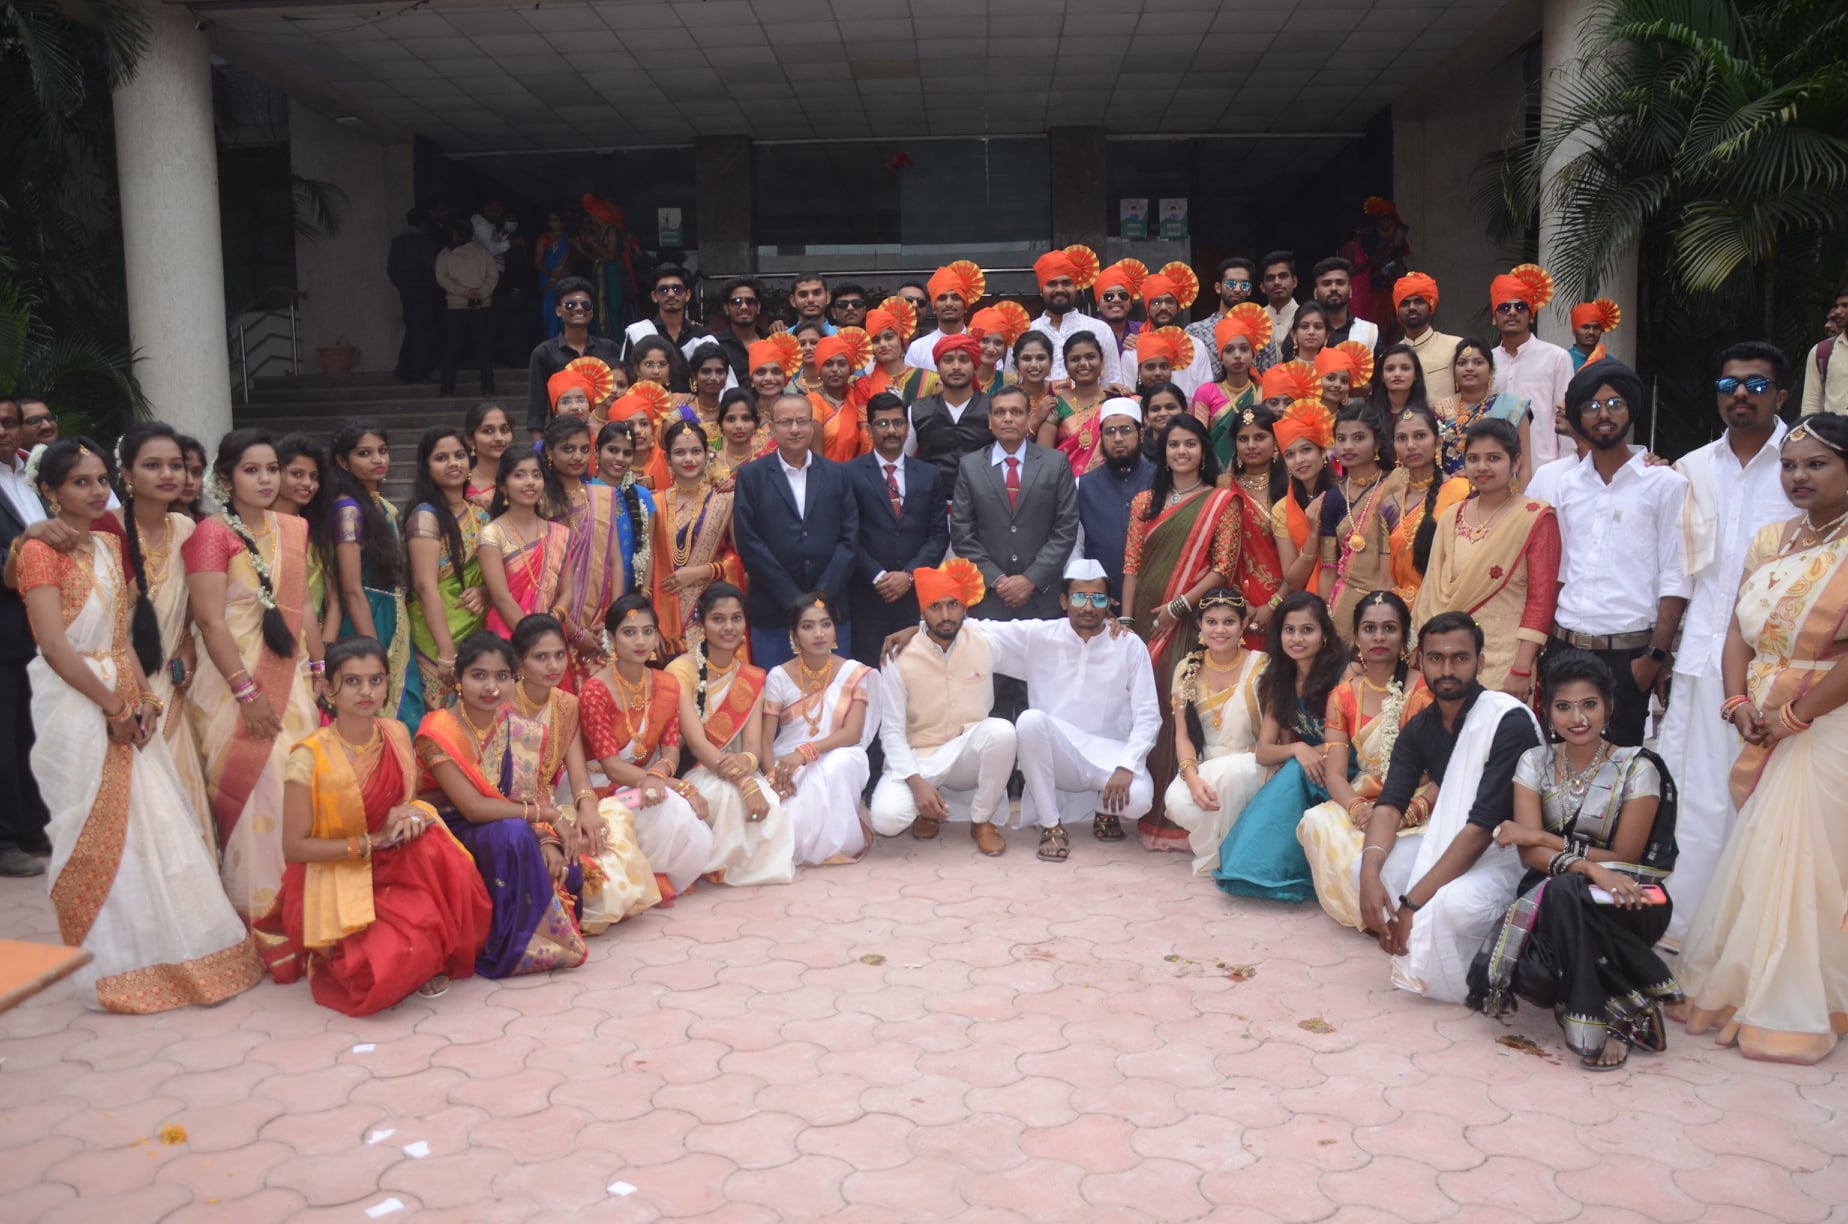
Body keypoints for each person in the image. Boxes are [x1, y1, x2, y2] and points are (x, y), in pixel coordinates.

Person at [17, 437, 264, 1013]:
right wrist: (112, 706)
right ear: (50, 491)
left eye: (100, 480)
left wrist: (143, 698)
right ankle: (117, 967)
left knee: (153, 827)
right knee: (94, 837)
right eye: (80, 482)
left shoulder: (108, 543)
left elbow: (119, 636)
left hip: (125, 698)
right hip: (73, 703)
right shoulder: (37, 553)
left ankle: (176, 953)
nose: (95, 491)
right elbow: (55, 646)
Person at [1677, 414, 1848, 1064]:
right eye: (1791, 465)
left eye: (1817, 464)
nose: (1799, 476)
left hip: (1825, 724)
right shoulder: (1775, 539)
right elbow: (1736, 630)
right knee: (1765, 856)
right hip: (1766, 717)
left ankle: (1795, 1006)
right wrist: (1737, 700)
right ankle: (1749, 988)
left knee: (1808, 863)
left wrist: (1796, 715)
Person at [1468, 651, 1681, 1070]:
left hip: (1629, 898)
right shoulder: (1534, 762)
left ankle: (1588, 1016)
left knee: (1566, 892)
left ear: (1609, 707)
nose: (1577, 718)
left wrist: (1542, 836)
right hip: (1554, 896)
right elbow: (1530, 855)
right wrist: (1586, 866)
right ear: (1548, 712)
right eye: (1563, 706)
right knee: (1563, 899)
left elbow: (1624, 858)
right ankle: (1619, 1011)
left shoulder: (1638, 767)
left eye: (1589, 704)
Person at [1655, 343, 1793, 946]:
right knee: (1694, 799)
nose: (1741, 395)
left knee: (1766, 801)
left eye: (1757, 385)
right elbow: (1678, 570)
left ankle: (1756, 935)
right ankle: (1687, 930)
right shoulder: (1691, 468)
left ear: (1781, 395)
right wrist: (1662, 652)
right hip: (1700, 660)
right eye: (1729, 384)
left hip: (1781, 668)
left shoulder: (1803, 463)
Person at [280, 637, 492, 1014]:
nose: (366, 691)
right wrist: (371, 842)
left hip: (395, 863)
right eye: (353, 681)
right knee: (385, 967)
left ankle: (426, 942)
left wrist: (410, 815)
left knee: (434, 844)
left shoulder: (395, 733)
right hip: (339, 870)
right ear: (329, 688)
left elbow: (405, 801)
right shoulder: (308, 759)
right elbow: (294, 848)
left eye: (376, 680)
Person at [183, 428, 325, 978]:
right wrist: (247, 693)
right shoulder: (211, 535)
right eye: (251, 470)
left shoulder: (293, 528)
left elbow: (303, 603)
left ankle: (311, 914)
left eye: (272, 469)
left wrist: (319, 668)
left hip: (294, 683)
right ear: (225, 479)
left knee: (300, 787)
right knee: (260, 790)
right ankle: (265, 921)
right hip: (232, 686)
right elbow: (209, 619)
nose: (266, 480)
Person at [1353, 612, 1544, 1003]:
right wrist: (1369, 876)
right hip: (1452, 843)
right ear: (1420, 660)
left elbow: (1480, 829)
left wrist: (1411, 904)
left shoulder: (1506, 721)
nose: (1447, 670)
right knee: (1366, 866)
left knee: (1452, 906)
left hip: (1507, 856)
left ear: (1480, 661)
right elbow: (1389, 807)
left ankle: (1481, 969)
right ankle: (1421, 946)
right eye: (1436, 658)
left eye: (1460, 658)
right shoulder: (1420, 728)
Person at [415, 632, 589, 978]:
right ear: (459, 679)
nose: (491, 687)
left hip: (507, 823)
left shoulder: (517, 728)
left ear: (514, 679)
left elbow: (527, 792)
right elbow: (473, 809)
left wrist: (546, 838)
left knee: (567, 867)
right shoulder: (438, 731)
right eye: (479, 675)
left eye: (501, 676)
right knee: (512, 835)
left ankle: (536, 933)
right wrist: (547, 816)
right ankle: (508, 946)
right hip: (449, 828)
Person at [1544, 359, 1690, 747]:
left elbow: (1676, 576)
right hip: (1564, 647)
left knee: (1617, 769)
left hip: (1627, 657)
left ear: (1630, 410)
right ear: (1578, 417)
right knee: (1559, 764)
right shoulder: (1569, 485)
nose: (1603, 415)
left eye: (1614, 404)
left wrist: (1654, 658)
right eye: (1591, 407)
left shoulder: (1664, 484)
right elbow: (1562, 570)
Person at [976, 558, 1161, 862]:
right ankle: (1051, 826)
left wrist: (1127, 766)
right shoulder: (1040, 635)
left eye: (1097, 598)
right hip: (1059, 755)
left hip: (1109, 755)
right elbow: (978, 630)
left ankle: (1105, 810)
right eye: (1079, 598)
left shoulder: (1129, 645)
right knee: (1030, 721)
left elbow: (1148, 715)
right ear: (1064, 601)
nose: (1088, 607)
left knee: (1139, 800)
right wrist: (915, 630)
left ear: (1109, 603)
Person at [1121, 413, 1238, 846]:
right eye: (1174, 444)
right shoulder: (1145, 502)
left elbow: (1223, 568)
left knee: (1179, 712)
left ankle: (1175, 822)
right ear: (1163, 452)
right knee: (1141, 710)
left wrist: (1178, 606)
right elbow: (1131, 566)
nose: (1182, 451)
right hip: (1144, 625)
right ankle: (1136, 808)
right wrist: (1128, 622)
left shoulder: (1221, 503)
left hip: (1189, 623)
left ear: (1204, 451)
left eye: (1191, 443)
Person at [510, 614, 658, 933]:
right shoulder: (502, 707)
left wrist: (588, 810)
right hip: (514, 814)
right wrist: (545, 833)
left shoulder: (567, 704)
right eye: (541, 657)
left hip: (552, 807)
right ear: (519, 662)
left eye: (559, 655)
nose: (553, 665)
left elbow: (578, 776)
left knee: (607, 829)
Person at [1297, 592, 1435, 928]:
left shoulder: (1427, 692)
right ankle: (1368, 917)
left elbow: (1445, 773)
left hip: (1419, 799)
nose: (1379, 637)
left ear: (1405, 636)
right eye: (1369, 628)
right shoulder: (1343, 695)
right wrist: (1359, 810)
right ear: (1357, 636)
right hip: (1365, 798)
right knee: (1315, 822)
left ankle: (1398, 916)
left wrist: (1408, 813)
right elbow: (1335, 775)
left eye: (1389, 628)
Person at [869, 559, 1015, 854]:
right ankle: (926, 809)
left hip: (966, 754)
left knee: (1002, 732)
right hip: (920, 759)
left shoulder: (985, 642)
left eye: (953, 605)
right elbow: (892, 731)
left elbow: (1039, 637)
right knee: (886, 820)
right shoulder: (898, 655)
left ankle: (981, 820)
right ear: (922, 612)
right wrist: (916, 783)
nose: (946, 615)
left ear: (965, 608)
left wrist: (1104, 623)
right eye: (935, 607)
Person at [1214, 592, 1348, 901]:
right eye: (1289, 630)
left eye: (1307, 630)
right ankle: (1253, 871)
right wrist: (1298, 750)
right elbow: (1264, 752)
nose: (1297, 638)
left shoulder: (1344, 675)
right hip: (1307, 766)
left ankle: (1273, 874)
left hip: (1345, 765)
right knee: (1289, 773)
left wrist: (1307, 754)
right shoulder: (1280, 680)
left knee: (1290, 775)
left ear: (1324, 634)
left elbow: (1356, 740)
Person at [1413, 419, 1561, 695]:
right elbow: (1432, 590)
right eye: (1473, 459)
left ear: (1515, 462)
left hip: (1506, 661)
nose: (1482, 467)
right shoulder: (1451, 515)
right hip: (1448, 657)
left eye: (1493, 458)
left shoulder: (1535, 517)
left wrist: (1521, 668)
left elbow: (1540, 601)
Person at [116, 423, 211, 844]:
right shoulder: (105, 531)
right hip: (122, 685)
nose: (169, 474)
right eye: (152, 465)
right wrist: (139, 694)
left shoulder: (187, 529)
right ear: (127, 474)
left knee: (184, 796)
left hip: (173, 685)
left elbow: (190, 613)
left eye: (176, 465)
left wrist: (188, 648)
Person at [579, 597, 710, 900]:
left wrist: (659, 775)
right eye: (629, 632)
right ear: (611, 638)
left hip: (645, 780)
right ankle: (649, 878)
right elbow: (612, 767)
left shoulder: (667, 684)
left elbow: (671, 750)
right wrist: (674, 784)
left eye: (647, 631)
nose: (640, 641)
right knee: (669, 803)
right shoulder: (594, 690)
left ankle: (655, 874)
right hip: (600, 785)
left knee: (672, 807)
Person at [664, 583, 790, 885]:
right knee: (728, 797)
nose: (729, 627)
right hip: (695, 770)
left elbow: (752, 747)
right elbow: (696, 744)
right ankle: (716, 865)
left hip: (735, 767)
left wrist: (747, 764)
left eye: (736, 618)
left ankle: (746, 866)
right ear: (702, 624)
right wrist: (745, 782)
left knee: (771, 801)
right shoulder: (680, 671)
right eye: (718, 619)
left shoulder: (751, 676)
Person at [732, 393, 861, 666]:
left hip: (831, 610)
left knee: (832, 689)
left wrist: (821, 597)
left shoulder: (837, 474)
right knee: (778, 690)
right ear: (771, 428)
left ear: (813, 426)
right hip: (774, 611)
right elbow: (748, 542)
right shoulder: (751, 476)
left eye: (802, 421)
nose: (794, 429)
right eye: (785, 422)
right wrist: (794, 599)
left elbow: (849, 538)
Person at [763, 593, 879, 865]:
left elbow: (852, 733)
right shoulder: (778, 676)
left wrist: (806, 752)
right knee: (786, 827)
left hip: (837, 754)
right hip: (787, 762)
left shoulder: (853, 673)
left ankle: (837, 846)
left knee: (839, 763)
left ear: (836, 630)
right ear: (794, 635)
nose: (818, 633)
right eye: (808, 626)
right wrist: (773, 779)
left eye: (826, 624)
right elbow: (765, 742)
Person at [951, 386, 1080, 623]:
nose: (1008, 418)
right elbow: (962, 533)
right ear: (990, 421)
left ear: (1029, 417)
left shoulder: (1055, 463)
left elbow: (1066, 528)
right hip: (989, 599)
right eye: (1000, 412)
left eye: (1016, 412)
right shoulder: (970, 466)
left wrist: (1031, 579)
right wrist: (997, 580)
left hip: (1042, 597)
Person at [1163, 590, 1268, 877]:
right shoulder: (1186, 669)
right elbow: (1182, 736)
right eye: (1211, 622)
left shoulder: (1262, 666)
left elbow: (1275, 731)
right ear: (1199, 624)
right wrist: (1192, 778)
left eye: (1228, 622)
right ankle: (1232, 848)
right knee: (1177, 801)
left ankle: (1227, 856)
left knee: (1232, 774)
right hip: (1206, 768)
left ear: (1243, 624)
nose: (1219, 630)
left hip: (1251, 764)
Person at [329, 424, 422, 730]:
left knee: (404, 704)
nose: (378, 459)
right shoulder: (348, 510)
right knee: (376, 701)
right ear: (343, 461)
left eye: (382, 451)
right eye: (364, 453)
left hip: (391, 612)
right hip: (366, 615)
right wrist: (374, 650)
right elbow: (351, 588)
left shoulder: (381, 506)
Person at [845, 394, 948, 668]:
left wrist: (909, 576)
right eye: (882, 423)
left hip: (915, 600)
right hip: (868, 596)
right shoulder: (848, 474)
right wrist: (878, 576)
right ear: (869, 429)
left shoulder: (929, 474)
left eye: (898, 423)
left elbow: (938, 535)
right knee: (870, 677)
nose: (891, 430)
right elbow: (846, 535)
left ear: (907, 427)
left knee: (915, 677)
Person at [549, 415, 654, 686]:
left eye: (583, 449)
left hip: (600, 613)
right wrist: (573, 630)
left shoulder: (600, 497)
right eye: (568, 449)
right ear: (549, 452)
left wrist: (611, 617)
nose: (578, 456)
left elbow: (616, 562)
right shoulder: (542, 500)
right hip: (556, 616)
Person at [402, 427, 491, 710]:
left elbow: (496, 572)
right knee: (442, 720)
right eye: (441, 458)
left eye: (459, 455)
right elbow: (425, 587)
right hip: (437, 636)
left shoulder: (480, 513)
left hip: (476, 626)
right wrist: (446, 651)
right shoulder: (425, 517)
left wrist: (485, 591)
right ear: (426, 467)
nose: (453, 463)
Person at [648, 420, 742, 657]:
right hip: (663, 616)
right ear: (668, 459)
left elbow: (741, 560)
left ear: (707, 454)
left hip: (709, 613)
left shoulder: (725, 500)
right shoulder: (654, 503)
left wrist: (703, 571)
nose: (688, 459)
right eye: (680, 453)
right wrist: (648, 620)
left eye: (695, 451)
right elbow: (647, 565)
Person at [1319, 402, 1408, 636]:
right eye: (1341, 439)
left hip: (1391, 598)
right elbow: (1328, 567)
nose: (1348, 446)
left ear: (1377, 444)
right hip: (1343, 607)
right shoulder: (1332, 497)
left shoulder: (1397, 484)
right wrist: (1323, 616)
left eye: (1358, 438)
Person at [478, 444, 570, 639]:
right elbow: (501, 598)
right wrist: (533, 639)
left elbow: (568, 592)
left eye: (536, 475)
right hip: (509, 638)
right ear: (503, 485)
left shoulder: (558, 533)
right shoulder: (492, 534)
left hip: (552, 637)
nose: (530, 482)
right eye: (519, 475)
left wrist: (551, 624)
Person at [1488, 266, 1574, 468]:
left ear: (1532, 315)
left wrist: (1566, 468)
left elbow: (1566, 415)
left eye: (1520, 307)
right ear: (1494, 318)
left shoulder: (1556, 358)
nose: (1512, 312)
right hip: (1495, 469)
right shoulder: (1486, 361)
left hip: (1543, 467)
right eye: (1504, 308)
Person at [1386, 402, 1471, 604]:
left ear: (1438, 440)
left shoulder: (1462, 492)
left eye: (1420, 436)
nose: (1410, 445)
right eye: (1402, 438)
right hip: (1399, 610)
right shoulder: (1390, 502)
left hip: (1447, 606)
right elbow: (1383, 572)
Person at [1074, 399, 1154, 608]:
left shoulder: (1163, 480)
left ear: (1141, 434)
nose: (1118, 438)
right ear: (1101, 437)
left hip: (1155, 599)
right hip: (1099, 604)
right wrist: (1090, 596)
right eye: (1110, 432)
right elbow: (1075, 550)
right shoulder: (1082, 485)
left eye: (1125, 430)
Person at [524, 277, 624, 441]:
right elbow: (536, 408)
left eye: (585, 304)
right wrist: (539, 447)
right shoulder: (544, 353)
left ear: (592, 311)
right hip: (561, 437)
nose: (579, 308)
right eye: (570, 305)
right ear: (558, 311)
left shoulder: (610, 349)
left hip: (606, 437)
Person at [1432, 336, 1534, 486]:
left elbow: (1524, 467)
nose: (1469, 368)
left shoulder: (1512, 407)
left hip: (1499, 492)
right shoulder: (1440, 409)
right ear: (1454, 371)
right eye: (1462, 363)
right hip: (1449, 491)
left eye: (1478, 362)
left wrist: (1520, 500)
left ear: (1491, 370)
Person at [908, 333, 994, 488]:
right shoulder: (917, 410)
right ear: (937, 367)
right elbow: (903, 460)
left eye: (964, 360)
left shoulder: (994, 408)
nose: (956, 367)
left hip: (982, 499)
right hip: (931, 499)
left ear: (975, 366)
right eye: (948, 360)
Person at [1026, 249, 1123, 386]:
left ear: (1076, 287)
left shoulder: (1100, 329)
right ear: (1041, 290)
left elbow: (1113, 384)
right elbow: (1012, 382)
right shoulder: (1026, 331)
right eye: (1052, 284)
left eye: (1066, 283)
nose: (1060, 289)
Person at [274, 435, 336, 642]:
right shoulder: (256, 527)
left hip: (313, 642)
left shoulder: (319, 532)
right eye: (297, 474)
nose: (308, 483)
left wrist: (324, 648)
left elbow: (334, 600)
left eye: (314, 476)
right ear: (275, 473)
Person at [1192, 304, 1270, 467]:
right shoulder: (1206, 392)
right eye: (1229, 350)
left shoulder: (1264, 393)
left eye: (1244, 349)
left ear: (1253, 354)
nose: (1237, 355)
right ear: (1220, 357)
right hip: (1216, 473)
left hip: (1257, 470)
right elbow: (1198, 437)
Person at [1271, 397, 1333, 598]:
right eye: (1290, 455)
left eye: (1306, 450)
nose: (1299, 460)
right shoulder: (1282, 509)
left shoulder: (1345, 495)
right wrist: (1313, 534)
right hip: (1306, 602)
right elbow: (1293, 581)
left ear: (1322, 452)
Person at [436, 219, 499, 397]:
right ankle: (488, 388)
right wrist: (480, 294)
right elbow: (492, 277)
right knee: (483, 349)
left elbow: (442, 279)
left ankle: (447, 390)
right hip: (482, 306)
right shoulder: (483, 253)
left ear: (454, 234)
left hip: (455, 306)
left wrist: (464, 293)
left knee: (451, 349)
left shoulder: (445, 254)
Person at [623, 263, 709, 379]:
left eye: (677, 289)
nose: (671, 294)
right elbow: (627, 379)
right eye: (663, 290)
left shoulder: (702, 336)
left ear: (688, 295)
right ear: (654, 296)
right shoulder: (639, 333)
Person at [1044, 332, 1113, 475]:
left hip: (1108, 482)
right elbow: (1044, 458)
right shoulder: (1055, 405)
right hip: (1065, 483)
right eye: (1075, 359)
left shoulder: (1114, 401)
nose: (1083, 363)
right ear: (1066, 365)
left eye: (1090, 357)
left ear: (1102, 361)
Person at [388, 208, 442, 383]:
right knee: (424, 332)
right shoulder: (424, 241)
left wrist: (402, 285)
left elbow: (391, 269)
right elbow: (432, 267)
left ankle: (403, 369)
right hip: (424, 291)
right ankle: (418, 372)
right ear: (423, 223)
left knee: (412, 329)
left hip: (406, 292)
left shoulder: (397, 242)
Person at [1187, 256, 1261, 381]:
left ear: (1249, 290)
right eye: (1231, 284)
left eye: (1244, 285)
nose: (1237, 289)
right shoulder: (1196, 331)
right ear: (1218, 287)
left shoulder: (1261, 330)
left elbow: (1268, 376)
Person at [1392, 273, 1461, 401]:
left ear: (1430, 307)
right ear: (1397, 310)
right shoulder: (1390, 357)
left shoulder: (1455, 346)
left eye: (1419, 302)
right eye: (1405, 303)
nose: (1412, 307)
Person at [905, 262, 981, 369]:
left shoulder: (982, 344)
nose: (949, 303)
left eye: (955, 298)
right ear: (934, 308)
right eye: (942, 298)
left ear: (965, 306)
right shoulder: (918, 348)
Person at [865, 303, 937, 405]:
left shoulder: (929, 379)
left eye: (889, 337)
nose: (883, 344)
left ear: (901, 340)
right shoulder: (864, 384)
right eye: (876, 340)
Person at [1308, 257, 1379, 350]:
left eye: (1340, 283)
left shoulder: (1370, 332)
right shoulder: (1304, 333)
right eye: (1326, 283)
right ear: (1315, 293)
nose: (1334, 288)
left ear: (1350, 291)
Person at [707, 389, 772, 491]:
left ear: (756, 423)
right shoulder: (710, 462)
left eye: (746, 418)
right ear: (721, 424)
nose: (739, 426)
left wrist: (739, 486)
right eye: (731, 419)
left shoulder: (767, 460)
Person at [1797, 286, 1848, 415]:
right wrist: (1808, 426)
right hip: (1834, 427)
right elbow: (1811, 404)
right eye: (1837, 306)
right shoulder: (1821, 351)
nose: (1837, 311)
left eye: (1845, 306)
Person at [709, 277, 769, 385]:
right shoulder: (714, 344)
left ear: (758, 307)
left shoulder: (771, 342)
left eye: (750, 301)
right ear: (726, 308)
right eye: (736, 302)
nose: (744, 307)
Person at [533, 210, 579, 341]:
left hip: (565, 281)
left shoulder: (569, 240)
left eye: (555, 220)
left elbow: (573, 262)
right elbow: (537, 262)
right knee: (550, 313)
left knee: (564, 315)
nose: (551, 223)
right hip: (548, 280)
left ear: (563, 223)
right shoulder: (544, 239)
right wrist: (551, 273)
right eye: (550, 220)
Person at [464, 402, 516, 509]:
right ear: (470, 439)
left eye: (504, 430)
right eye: (488, 431)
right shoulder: (461, 485)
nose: (499, 438)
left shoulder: (525, 478)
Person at [1257, 251, 1300, 370]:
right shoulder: (1256, 319)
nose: (1277, 282)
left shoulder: (1308, 317)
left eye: (1283, 276)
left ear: (1294, 282)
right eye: (1270, 278)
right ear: (1262, 286)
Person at [1568, 297, 1621, 370]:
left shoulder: (1609, 362)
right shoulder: (1565, 359)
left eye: (1596, 327)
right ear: (1574, 331)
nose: (1591, 332)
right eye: (1585, 327)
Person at [1279, 301, 1329, 366]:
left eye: (1318, 327)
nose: (1311, 332)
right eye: (1304, 326)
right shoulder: (1281, 370)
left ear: (1327, 334)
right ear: (1293, 333)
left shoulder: (1336, 370)